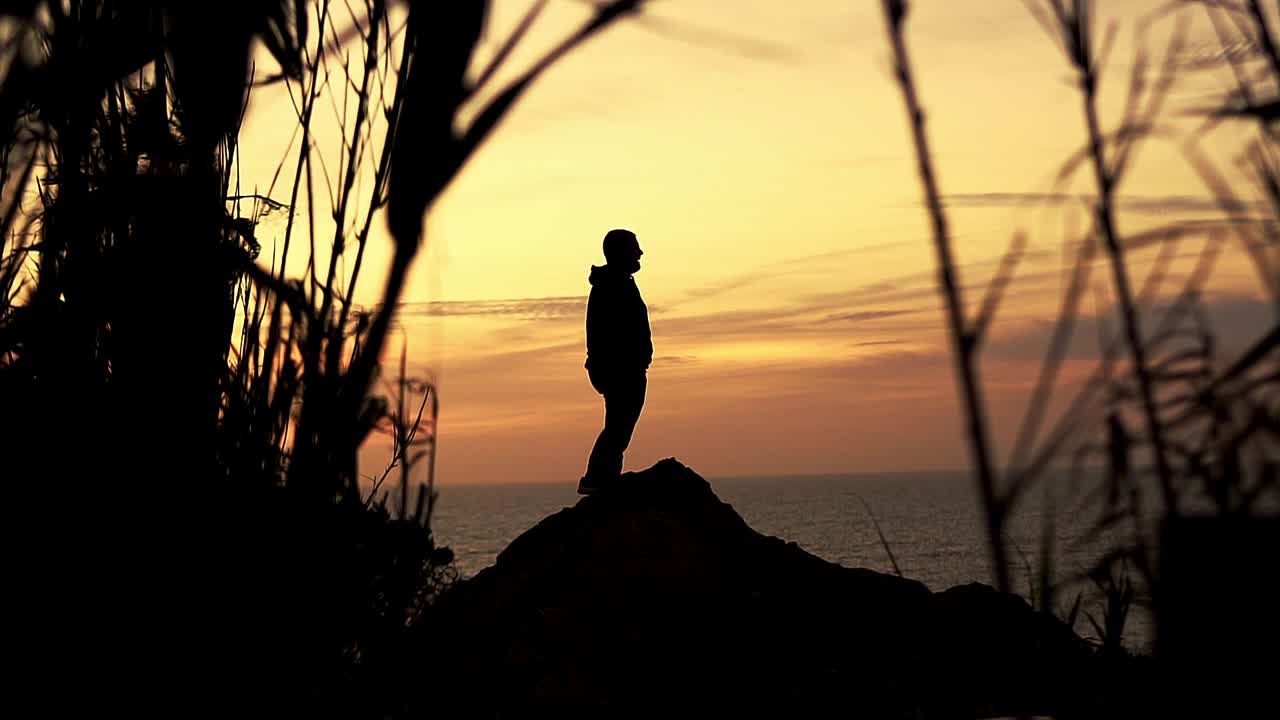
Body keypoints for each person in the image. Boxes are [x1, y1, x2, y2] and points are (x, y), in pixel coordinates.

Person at [579, 228, 652, 494]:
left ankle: (604, 477)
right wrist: (622, 364)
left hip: (624, 368)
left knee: (619, 427)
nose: (640, 252)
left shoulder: (618, 282)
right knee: (618, 427)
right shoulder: (611, 285)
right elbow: (607, 333)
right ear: (621, 252)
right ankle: (597, 478)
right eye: (635, 247)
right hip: (619, 370)